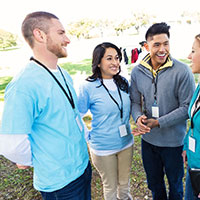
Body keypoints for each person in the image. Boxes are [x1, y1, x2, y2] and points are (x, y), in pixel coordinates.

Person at [0, 11, 91, 200]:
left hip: (82, 168)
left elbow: (72, 116)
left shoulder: (63, 74)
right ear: (40, 35)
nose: (67, 39)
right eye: (61, 33)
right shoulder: (24, 85)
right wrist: (41, 160)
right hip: (60, 184)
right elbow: (11, 144)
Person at [130, 22, 195, 200]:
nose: (162, 49)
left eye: (166, 44)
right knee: (155, 185)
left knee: (175, 187)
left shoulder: (182, 71)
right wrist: (138, 118)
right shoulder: (137, 72)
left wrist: (159, 122)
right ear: (146, 46)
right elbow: (134, 102)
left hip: (174, 143)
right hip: (149, 142)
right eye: (156, 44)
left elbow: (186, 108)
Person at [77, 42, 134, 200]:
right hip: (103, 147)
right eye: (109, 58)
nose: (115, 62)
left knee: (124, 184)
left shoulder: (123, 83)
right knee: (110, 187)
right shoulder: (87, 87)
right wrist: (87, 136)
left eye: (117, 58)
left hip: (126, 143)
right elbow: (77, 115)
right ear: (98, 62)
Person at [182, 33, 200, 200]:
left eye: (193, 51)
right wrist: (187, 146)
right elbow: (194, 123)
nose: (189, 56)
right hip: (193, 167)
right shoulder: (199, 85)